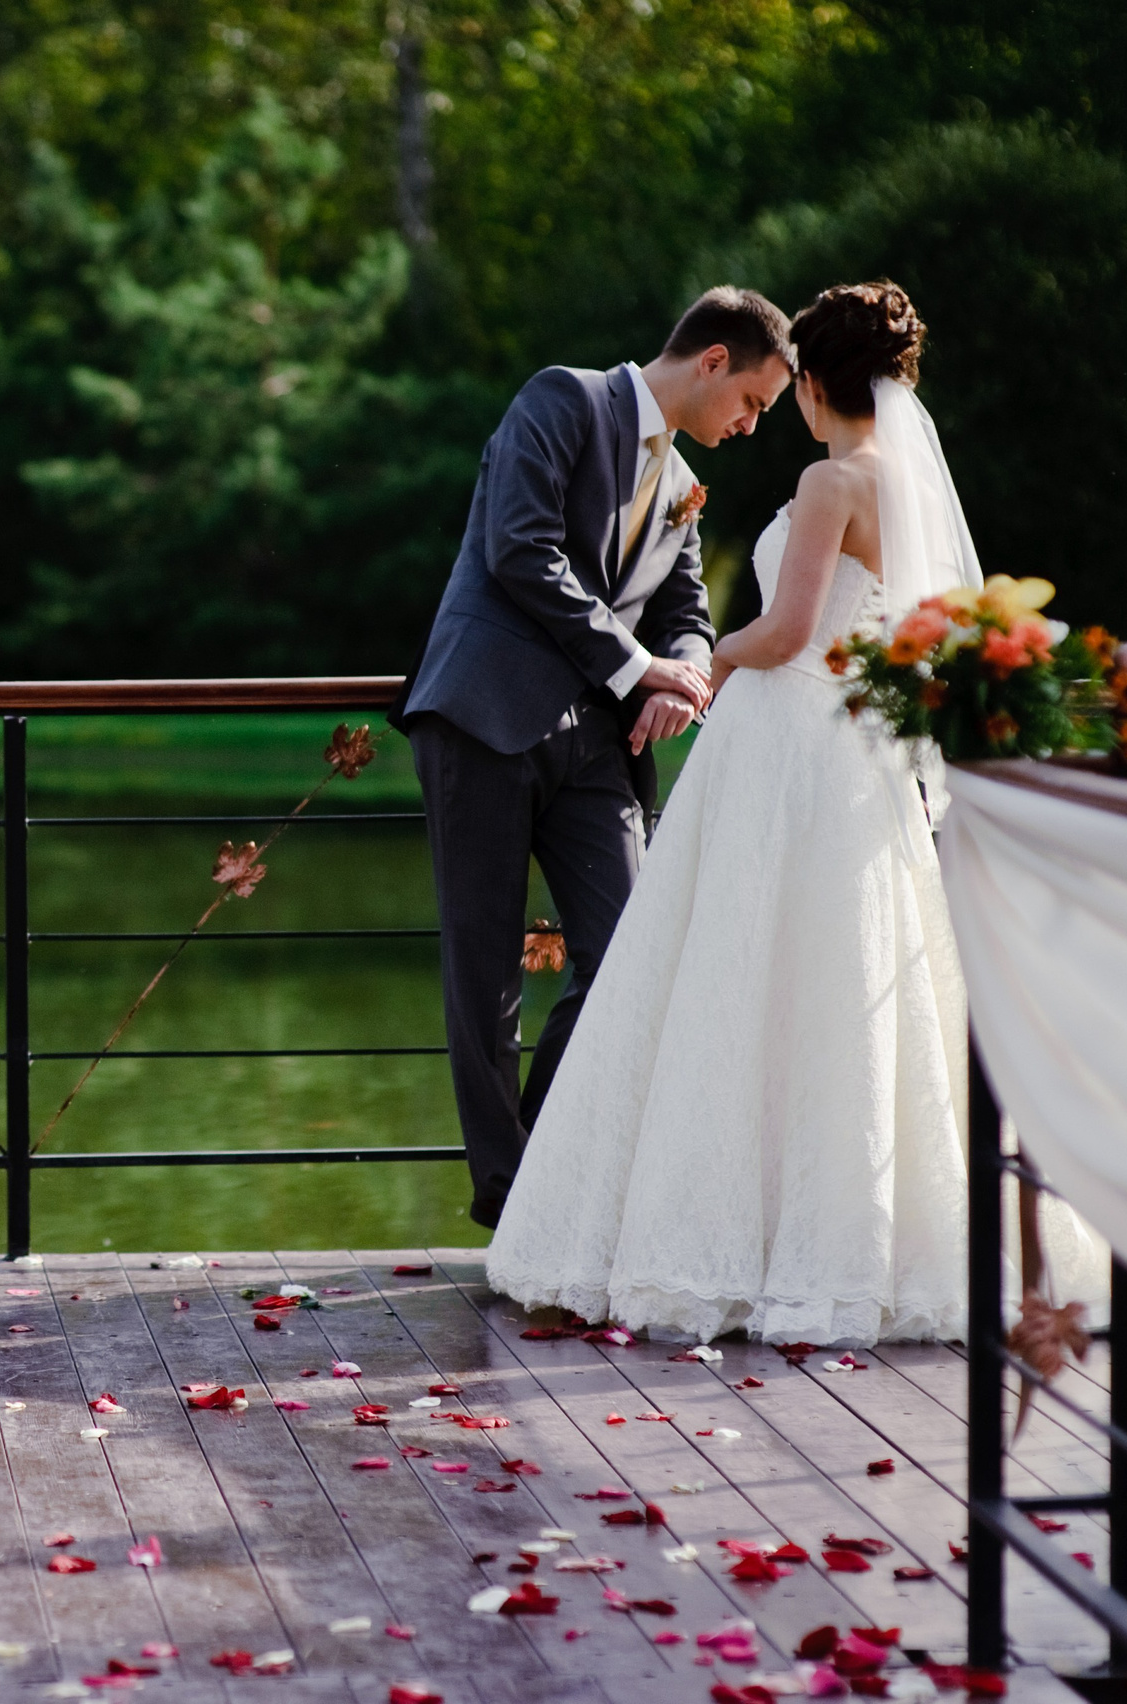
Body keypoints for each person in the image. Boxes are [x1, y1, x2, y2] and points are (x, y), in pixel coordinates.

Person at [484, 281, 983, 1346]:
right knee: (840, 991)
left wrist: (700, 663)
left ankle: (728, 1238)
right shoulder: (914, 492)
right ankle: (848, 1239)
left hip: (783, 751)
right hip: (856, 755)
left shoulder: (830, 481)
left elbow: (791, 628)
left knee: (740, 978)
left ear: (809, 383)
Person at [400, 287, 794, 1230]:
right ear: (710, 361)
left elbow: (689, 616)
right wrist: (638, 666)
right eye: (752, 402)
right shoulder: (563, 400)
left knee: (628, 955)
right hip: (485, 719)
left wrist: (685, 675)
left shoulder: (683, 486)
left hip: (599, 751)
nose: (748, 427)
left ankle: (540, 1172)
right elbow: (520, 550)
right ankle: (509, 1201)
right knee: (485, 973)